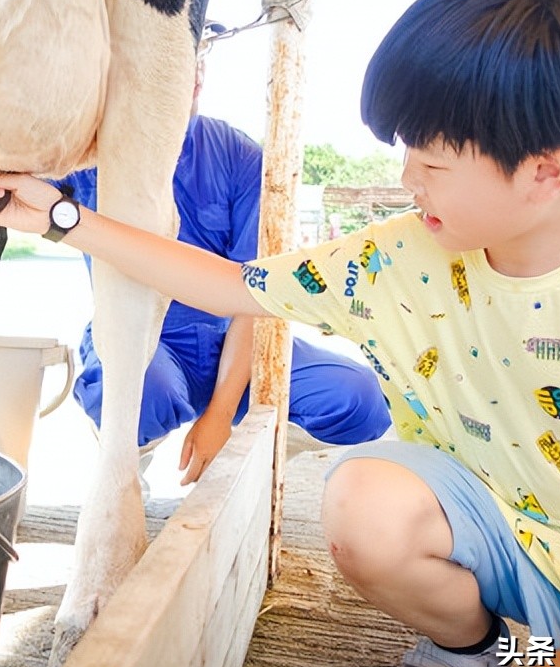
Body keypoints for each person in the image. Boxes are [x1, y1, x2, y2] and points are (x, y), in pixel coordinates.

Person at [0, 0, 560, 667]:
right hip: (502, 545)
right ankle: (471, 655)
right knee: (361, 495)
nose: (406, 180)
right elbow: (228, 286)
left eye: (431, 162)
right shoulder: (398, 258)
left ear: (545, 171)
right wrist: (60, 218)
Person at [55, 56, 392, 486]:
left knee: (358, 396)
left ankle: (260, 477)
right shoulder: (84, 153)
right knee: (140, 389)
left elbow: (261, 292)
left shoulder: (240, 156)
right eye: (175, 59)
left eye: (198, 57)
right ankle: (122, 479)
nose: (191, 73)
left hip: (235, 338)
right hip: (143, 337)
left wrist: (219, 416)